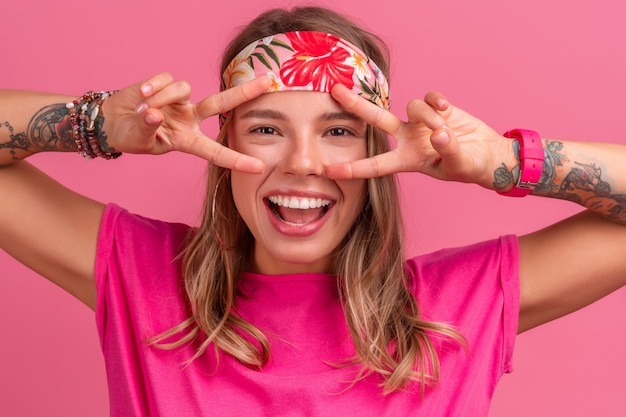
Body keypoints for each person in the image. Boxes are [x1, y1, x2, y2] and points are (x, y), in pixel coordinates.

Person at [1, 5, 624, 417]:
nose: (304, 163)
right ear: (223, 148)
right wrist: (97, 122)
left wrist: (503, 160)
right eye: (267, 129)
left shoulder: (458, 307)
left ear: (377, 154)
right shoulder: (141, 276)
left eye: (338, 131)